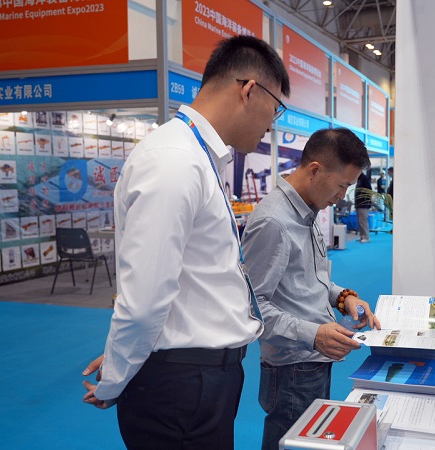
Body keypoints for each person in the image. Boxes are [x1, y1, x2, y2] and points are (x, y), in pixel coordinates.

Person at [80, 35, 290, 449]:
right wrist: (120, 374)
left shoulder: (195, 156)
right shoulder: (174, 160)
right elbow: (144, 300)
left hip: (195, 377)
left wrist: (132, 358)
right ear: (249, 90)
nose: (272, 124)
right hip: (181, 386)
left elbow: (192, 279)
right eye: (275, 108)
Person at [241, 127, 381, 450]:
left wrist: (344, 298)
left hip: (313, 360)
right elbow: (252, 307)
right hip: (291, 369)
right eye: (342, 185)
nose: (343, 196)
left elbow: (312, 280)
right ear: (315, 170)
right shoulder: (274, 221)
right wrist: (314, 334)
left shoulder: (307, 211)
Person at [355, 168, 373, 243]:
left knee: (363, 221)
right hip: (359, 204)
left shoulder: (364, 179)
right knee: (360, 221)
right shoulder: (359, 179)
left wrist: (366, 201)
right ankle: (362, 236)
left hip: (363, 204)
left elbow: (369, 191)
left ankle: (366, 236)